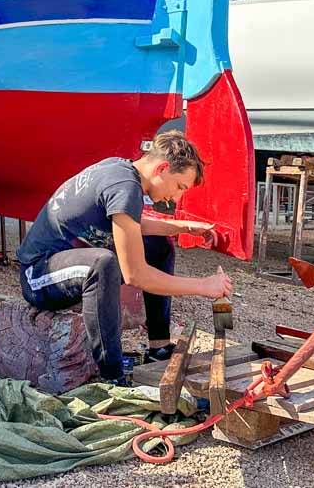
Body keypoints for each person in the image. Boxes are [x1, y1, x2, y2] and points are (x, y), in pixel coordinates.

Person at [16, 130, 233, 382]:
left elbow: (131, 224)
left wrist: (182, 227)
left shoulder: (121, 170)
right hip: (39, 275)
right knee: (102, 263)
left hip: (68, 264)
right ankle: (112, 376)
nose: (175, 197)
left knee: (158, 246)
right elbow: (135, 275)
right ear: (162, 168)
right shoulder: (125, 186)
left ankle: (158, 347)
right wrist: (203, 286)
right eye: (179, 187)